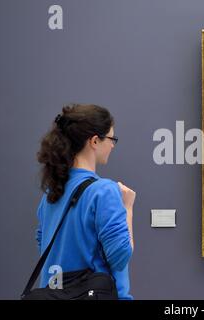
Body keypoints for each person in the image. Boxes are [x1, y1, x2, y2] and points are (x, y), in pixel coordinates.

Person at [35, 103, 136, 299]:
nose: (113, 145)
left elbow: (43, 243)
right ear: (94, 141)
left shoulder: (52, 192)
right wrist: (128, 208)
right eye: (111, 138)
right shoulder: (104, 191)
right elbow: (120, 256)